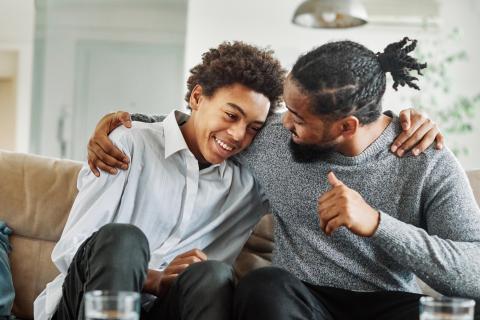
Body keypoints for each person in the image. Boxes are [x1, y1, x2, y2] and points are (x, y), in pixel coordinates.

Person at [89, 38, 480, 320]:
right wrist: (122, 124)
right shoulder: (274, 138)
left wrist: (377, 224)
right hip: (298, 301)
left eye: (298, 118)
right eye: (285, 110)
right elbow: (201, 126)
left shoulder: (426, 159)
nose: (282, 124)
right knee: (263, 284)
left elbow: (474, 274)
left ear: (346, 126)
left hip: (388, 303)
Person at [33, 41, 286, 320]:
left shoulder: (252, 182)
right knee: (124, 239)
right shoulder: (128, 143)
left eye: (253, 128)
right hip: (86, 304)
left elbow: (306, 125)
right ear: (197, 97)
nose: (238, 134)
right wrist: (153, 279)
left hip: (166, 310)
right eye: (230, 115)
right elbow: (73, 248)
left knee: (213, 273)